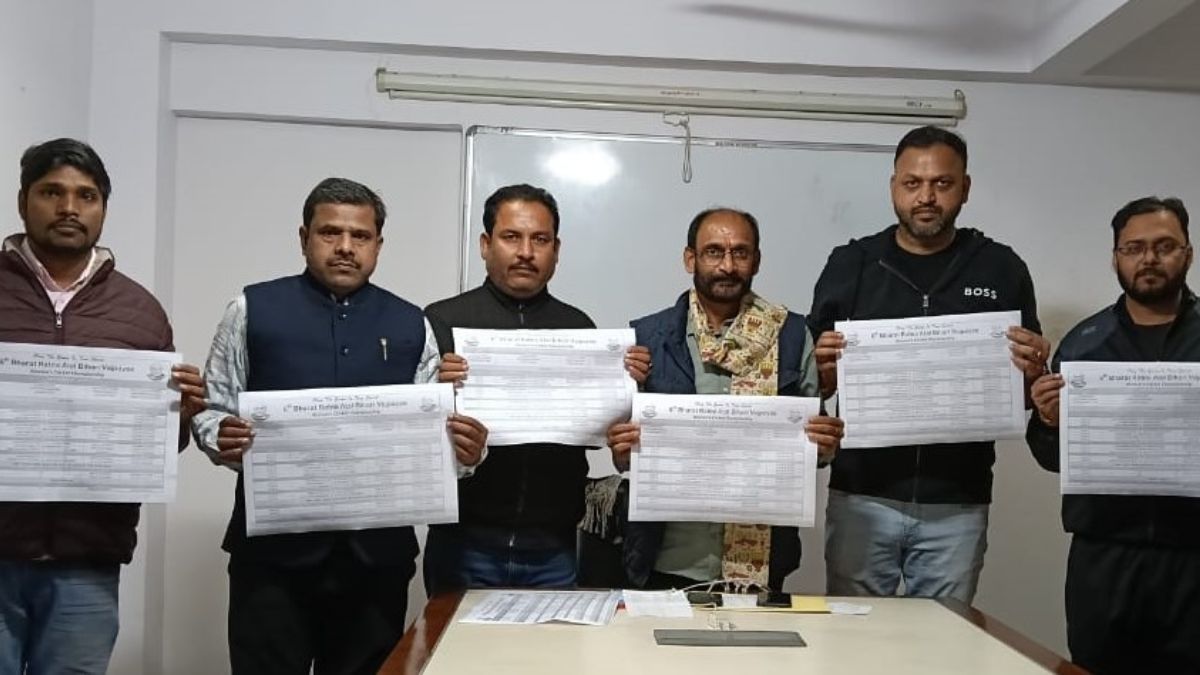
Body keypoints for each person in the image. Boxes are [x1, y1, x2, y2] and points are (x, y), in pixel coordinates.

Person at [191, 177, 487, 675]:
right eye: (330, 232)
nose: (346, 246)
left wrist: (466, 455)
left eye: (361, 235)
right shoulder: (250, 310)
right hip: (271, 561)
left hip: (376, 563)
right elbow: (210, 407)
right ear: (304, 237)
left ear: (378, 245)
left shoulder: (412, 323)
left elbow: (435, 438)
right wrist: (219, 435)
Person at [808, 126, 1049, 604]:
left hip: (958, 501)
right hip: (862, 496)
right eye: (912, 183)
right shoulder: (852, 264)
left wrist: (1032, 370)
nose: (926, 197)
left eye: (942, 183)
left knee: (946, 636)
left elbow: (1025, 393)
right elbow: (810, 382)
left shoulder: (1001, 268)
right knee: (855, 634)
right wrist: (823, 372)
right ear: (893, 186)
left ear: (965, 188)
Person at [0, 138, 206, 675]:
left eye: (86, 196)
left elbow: (159, 447)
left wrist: (180, 414)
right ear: (23, 201)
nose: (69, 208)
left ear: (103, 208)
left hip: (87, 559)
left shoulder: (139, 310)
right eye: (52, 192)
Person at [422, 183, 650, 593]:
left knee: (550, 639)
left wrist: (628, 388)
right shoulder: (442, 322)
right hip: (464, 543)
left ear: (556, 250)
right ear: (485, 245)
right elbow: (414, 441)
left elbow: (602, 434)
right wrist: (434, 394)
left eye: (540, 240)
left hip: (554, 547)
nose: (526, 252)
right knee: (456, 638)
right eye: (511, 237)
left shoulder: (581, 329)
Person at [606, 207, 844, 591]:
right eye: (714, 252)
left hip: (761, 560)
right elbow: (623, 452)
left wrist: (824, 444)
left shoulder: (791, 334)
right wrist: (621, 447)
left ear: (757, 261)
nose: (728, 266)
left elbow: (815, 447)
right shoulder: (647, 338)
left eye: (740, 253)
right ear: (691, 259)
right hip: (666, 556)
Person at [1027, 196, 1200, 673]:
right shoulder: (1084, 344)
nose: (1149, 259)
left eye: (1165, 246)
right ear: (1115, 258)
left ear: (1188, 254)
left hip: (1193, 555)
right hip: (1104, 555)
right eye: (1134, 248)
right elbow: (1051, 458)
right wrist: (1048, 421)